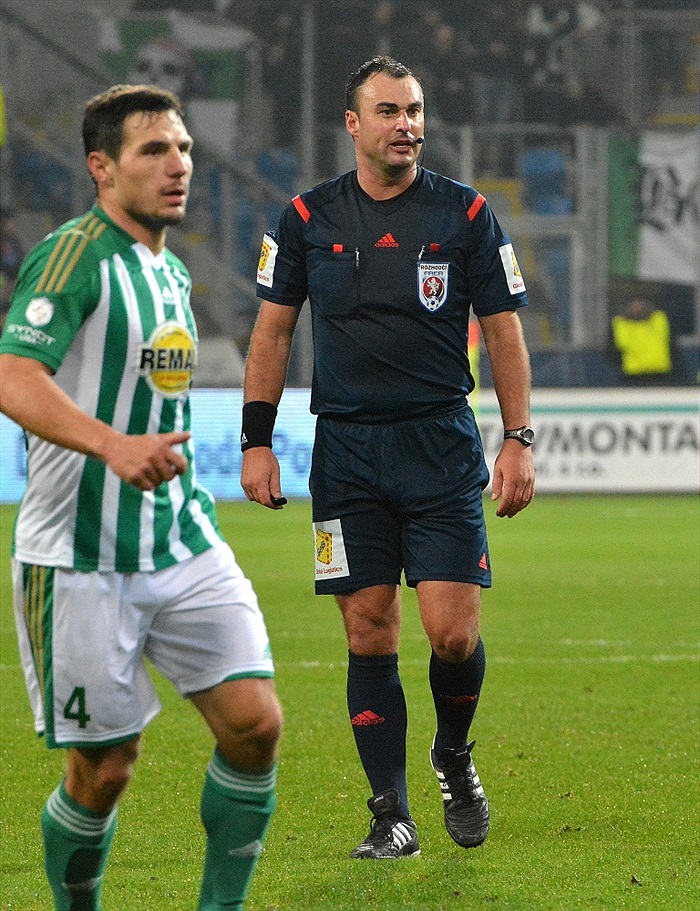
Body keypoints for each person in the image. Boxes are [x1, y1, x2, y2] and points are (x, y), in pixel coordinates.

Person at [240, 56, 535, 859]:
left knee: (450, 634)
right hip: (345, 453)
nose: (406, 123)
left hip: (439, 446)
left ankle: (453, 753)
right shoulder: (305, 218)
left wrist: (518, 435)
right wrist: (255, 439)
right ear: (354, 123)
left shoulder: (467, 214)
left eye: (414, 110)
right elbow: (271, 332)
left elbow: (504, 331)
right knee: (368, 631)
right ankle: (390, 812)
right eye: (389, 110)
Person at [0, 84, 282, 910]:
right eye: (154, 151)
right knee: (105, 770)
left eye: (184, 148)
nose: (178, 165)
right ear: (101, 168)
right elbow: (14, 376)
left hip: (181, 540)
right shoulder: (73, 254)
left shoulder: (171, 271)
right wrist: (111, 444)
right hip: (79, 557)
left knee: (255, 723)